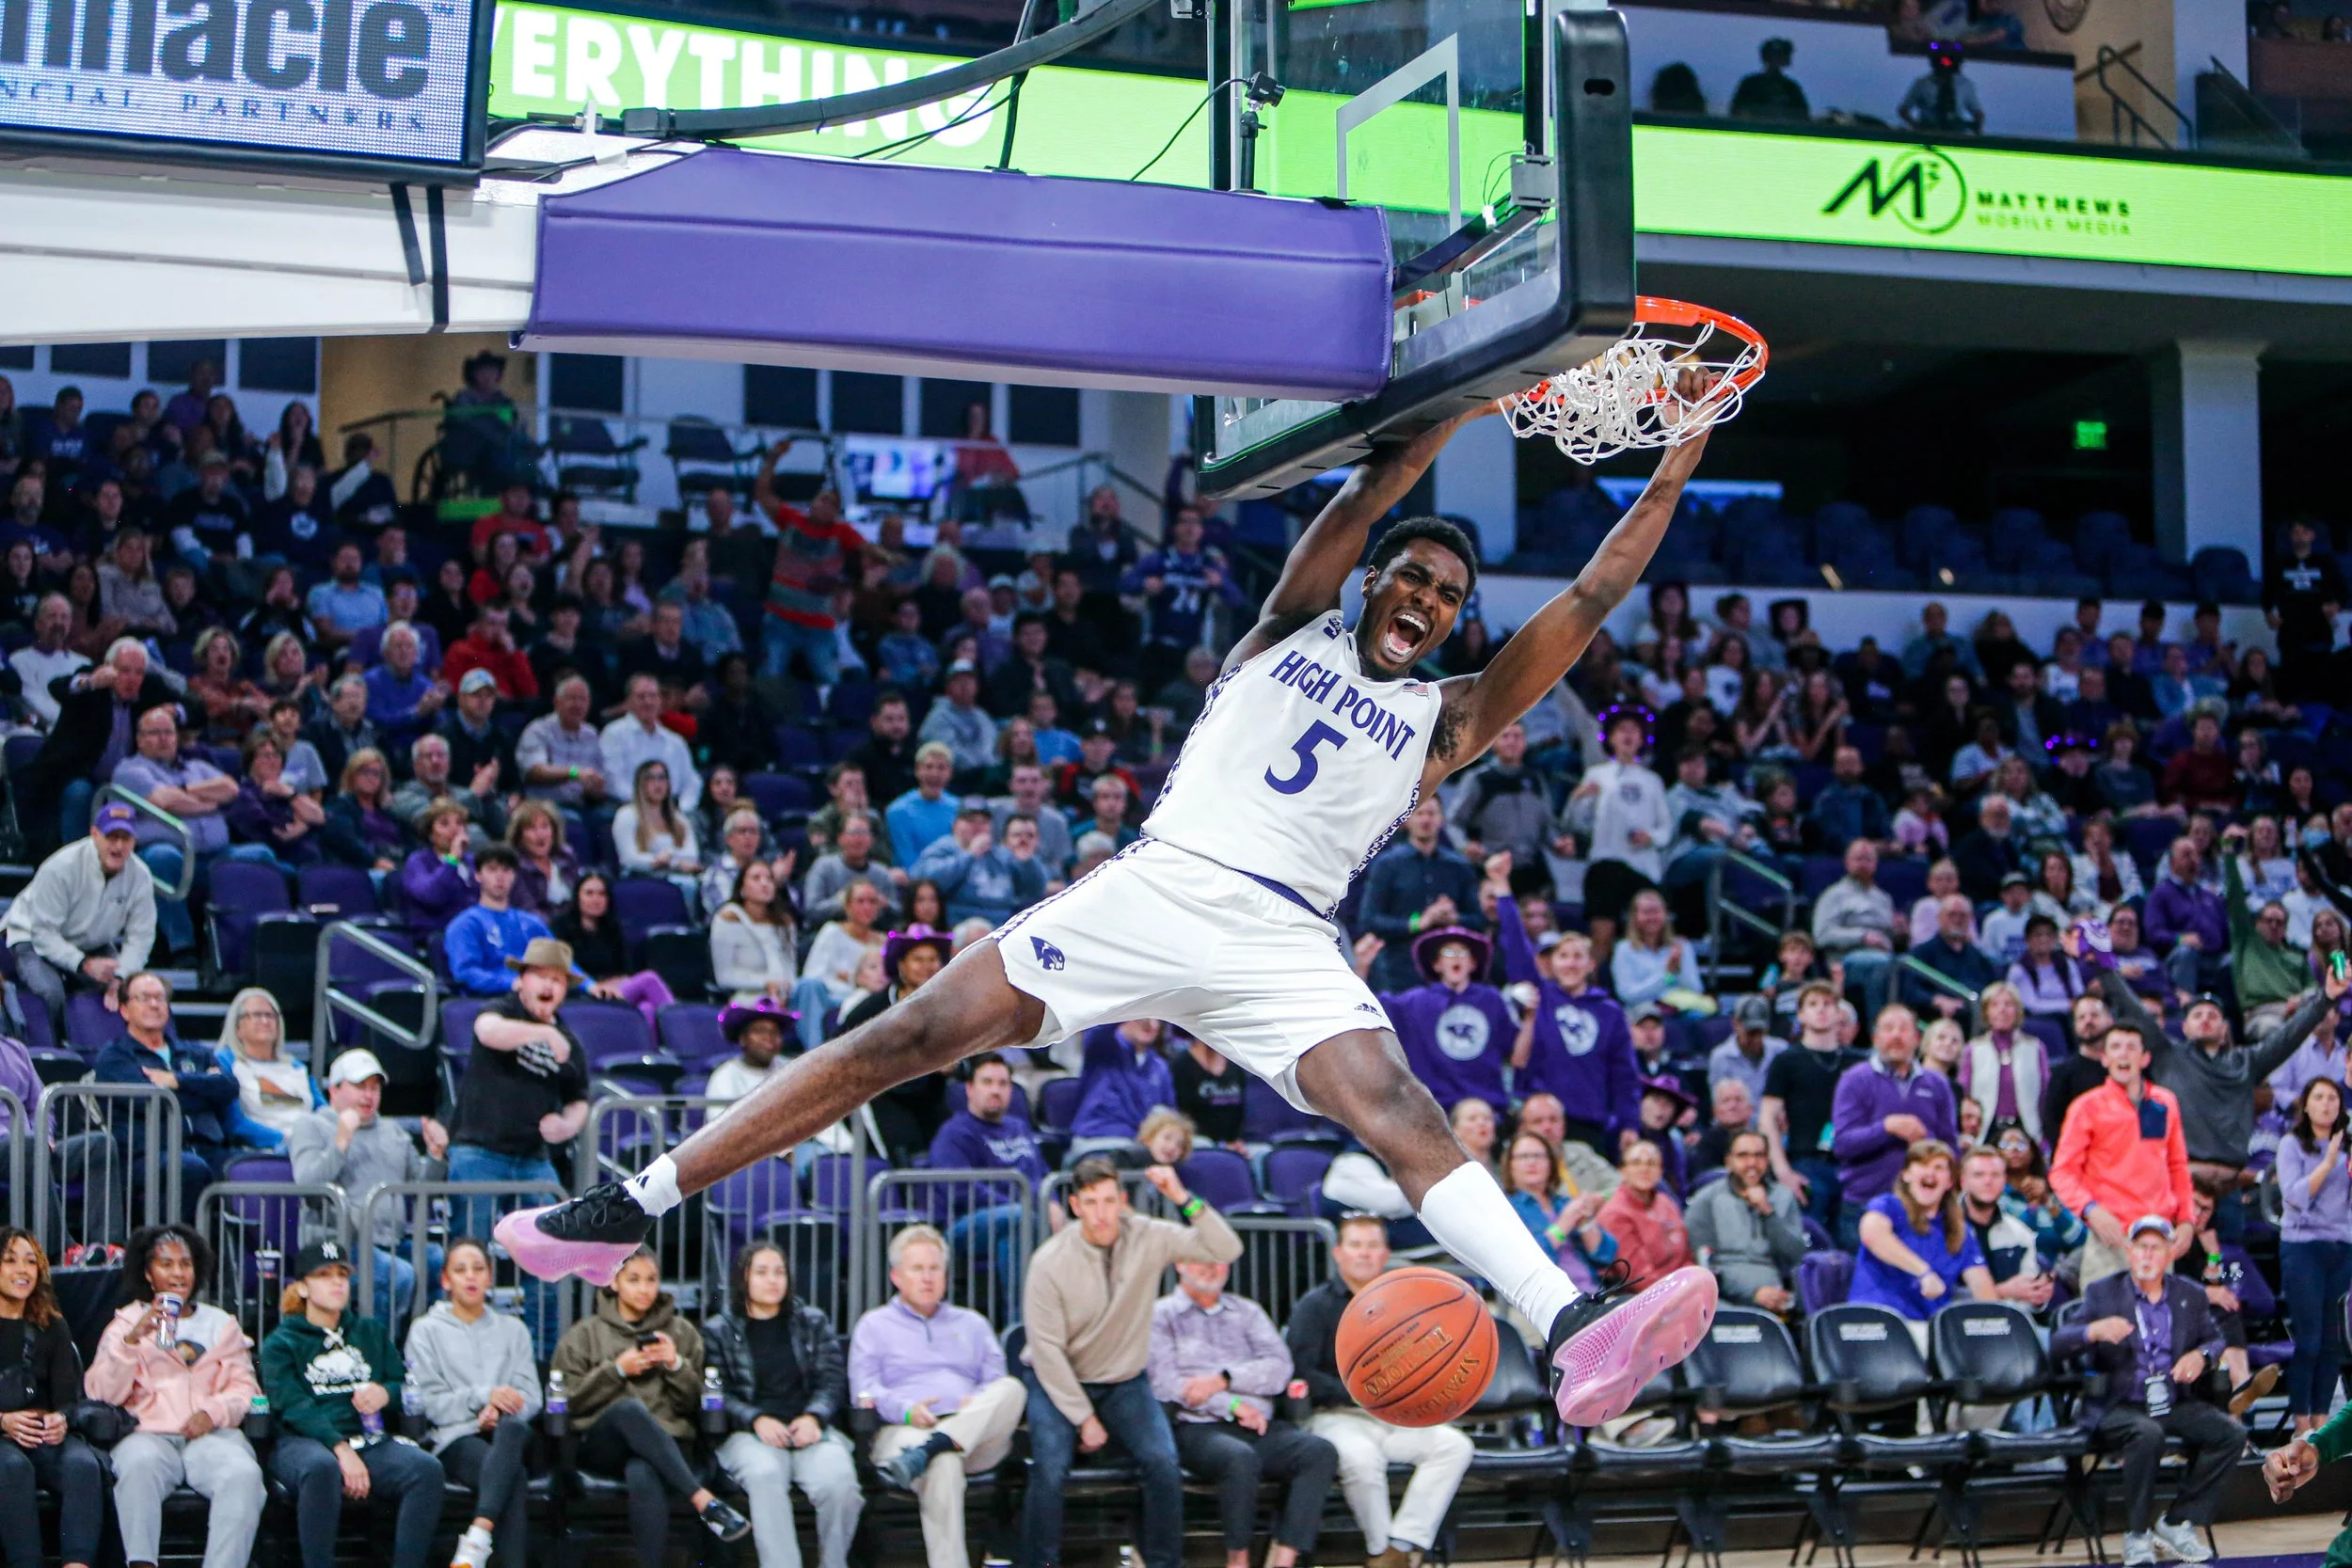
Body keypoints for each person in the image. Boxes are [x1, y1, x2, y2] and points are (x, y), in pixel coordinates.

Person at [500, 400, 1725, 1432]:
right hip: (1160, 881)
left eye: (1451, 591)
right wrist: (1460, 399)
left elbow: (1596, 588)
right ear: (1375, 581)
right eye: (1412, 571)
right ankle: (628, 1204)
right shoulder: (1292, 626)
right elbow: (1364, 496)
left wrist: (1679, 453)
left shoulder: (1446, 721)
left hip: (1282, 938)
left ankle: (1567, 1322)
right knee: (905, 1034)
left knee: (1401, 1106)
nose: (1429, 593)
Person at [1017, 1158, 1236, 1568]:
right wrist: (1084, 1417)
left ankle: (1162, 1563)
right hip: (1058, 1380)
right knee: (1049, 1467)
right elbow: (1046, 1352)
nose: (1101, 1213)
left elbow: (1226, 1248)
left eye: (1108, 1200)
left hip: (1124, 1380)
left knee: (1163, 1463)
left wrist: (1181, 1197)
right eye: (1090, 1202)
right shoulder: (1048, 1261)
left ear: (1121, 1200)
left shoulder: (1148, 1236)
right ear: (1075, 1206)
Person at [1284, 1213, 1473, 1568]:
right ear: (1338, 1253)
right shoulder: (1315, 1305)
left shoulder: (1404, 1304)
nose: (1364, 1254)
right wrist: (1357, 1393)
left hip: (1395, 1417)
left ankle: (1401, 1544)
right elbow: (1299, 1370)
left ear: (1385, 1254)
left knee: (1454, 1445)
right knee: (1361, 1460)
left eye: (1372, 1246)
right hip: (1335, 1416)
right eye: (1356, 1245)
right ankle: (1380, 1552)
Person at [2053, 1216, 2238, 1567]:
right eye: (2140, 1246)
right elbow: (2058, 1344)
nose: (2147, 1255)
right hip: (2117, 1403)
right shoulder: (2103, 1293)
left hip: (2171, 1400)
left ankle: (2176, 1520)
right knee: (2147, 1432)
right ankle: (2136, 1533)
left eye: (2156, 1247)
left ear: (2170, 1252)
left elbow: (2216, 1339)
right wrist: (2092, 1331)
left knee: (2230, 1433)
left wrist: (2200, 1357)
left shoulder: (2190, 1294)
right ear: (2128, 1250)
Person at [550, 1246, 753, 1557]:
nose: (644, 1289)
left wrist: (675, 1366)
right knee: (629, 1410)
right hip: (604, 1446)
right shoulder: (584, 1335)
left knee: (643, 1470)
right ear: (614, 1282)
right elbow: (567, 1402)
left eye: (651, 1279)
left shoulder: (681, 1332)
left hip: (670, 1445)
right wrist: (617, 1371)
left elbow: (698, 1406)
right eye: (634, 1279)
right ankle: (703, 1500)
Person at [260, 1240, 448, 1568]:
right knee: (322, 1468)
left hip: (367, 1440)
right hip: (303, 1442)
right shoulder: (281, 1342)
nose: (336, 1282)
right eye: (324, 1275)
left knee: (426, 1469)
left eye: (342, 1274)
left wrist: (385, 1393)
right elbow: (293, 1406)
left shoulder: (370, 1331)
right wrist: (340, 1448)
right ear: (302, 1288)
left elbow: (403, 1382)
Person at [86, 1224, 265, 1568]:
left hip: (211, 1436)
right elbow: (101, 1393)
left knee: (244, 1474)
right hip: (147, 1435)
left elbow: (245, 1388)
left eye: (185, 1264)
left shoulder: (220, 1324)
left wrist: (212, 1412)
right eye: (166, 1264)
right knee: (138, 1467)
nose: (178, 1273)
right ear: (148, 1275)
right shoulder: (126, 1324)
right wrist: (132, 1342)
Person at [850, 1225, 1027, 1568]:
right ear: (896, 1276)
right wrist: (906, 1412)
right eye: (918, 1269)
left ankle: (936, 1445)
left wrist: (977, 1400)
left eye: (935, 1269)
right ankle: (934, 1449)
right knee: (943, 1462)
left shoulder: (973, 1323)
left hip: (976, 1436)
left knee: (1012, 1388)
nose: (928, 1278)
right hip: (904, 1432)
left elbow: (995, 1380)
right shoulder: (874, 1326)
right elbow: (865, 1390)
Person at [1151, 1259, 1339, 1568]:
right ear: (1181, 1263)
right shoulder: (1162, 1315)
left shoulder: (1247, 1311)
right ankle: (1238, 1560)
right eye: (1202, 1259)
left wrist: (1224, 1379)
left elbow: (1280, 1368)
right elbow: (1168, 1385)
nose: (1210, 1267)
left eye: (1219, 1260)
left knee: (1319, 1452)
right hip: (1197, 1426)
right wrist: (1233, 1405)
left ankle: (1284, 1559)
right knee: (1239, 1458)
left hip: (1261, 1423)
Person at [704, 1243, 864, 1568]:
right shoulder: (718, 1330)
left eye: (779, 1272)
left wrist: (814, 1417)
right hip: (748, 1434)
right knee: (765, 1475)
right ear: (742, 1279)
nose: (773, 1280)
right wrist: (756, 1418)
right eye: (761, 1272)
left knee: (840, 1484)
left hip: (809, 1428)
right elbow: (716, 1393)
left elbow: (832, 1381)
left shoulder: (812, 1321)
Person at [404, 1239, 542, 1568]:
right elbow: (429, 1403)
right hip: (457, 1438)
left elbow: (532, 1396)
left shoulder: (514, 1329)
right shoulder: (425, 1331)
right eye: (460, 1270)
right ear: (446, 1281)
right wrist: (483, 1397)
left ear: (490, 1277)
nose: (471, 1277)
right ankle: (480, 1541)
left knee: (512, 1429)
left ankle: (478, 1538)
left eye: (479, 1269)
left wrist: (499, 1409)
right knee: (513, 1475)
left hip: (512, 1431)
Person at [285, 1049, 439, 1320]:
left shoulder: (393, 1131)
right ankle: (377, 1350)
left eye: (374, 1088)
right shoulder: (311, 1125)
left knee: (437, 1259)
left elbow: (421, 1186)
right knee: (397, 1274)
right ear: (333, 1090)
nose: (369, 1096)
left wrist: (437, 1155)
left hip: (392, 1240)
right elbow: (308, 1184)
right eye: (359, 1087)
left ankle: (416, 1347)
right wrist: (341, 1142)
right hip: (337, 1244)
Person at [1497, 891, 1639, 1157]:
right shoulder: (1540, 997)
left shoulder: (1610, 1012)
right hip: (1540, 1117)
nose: (1571, 963)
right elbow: (1516, 948)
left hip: (1590, 1119)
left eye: (1577, 956)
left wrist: (1629, 1122)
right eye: (1563, 956)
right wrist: (1504, 895)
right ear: (1552, 963)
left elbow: (1624, 1073)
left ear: (1590, 964)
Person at [1, 800, 154, 1046]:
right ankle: (58, 1049)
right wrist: (83, 964)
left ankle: (122, 1051)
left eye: (125, 838)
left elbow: (142, 936)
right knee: (51, 992)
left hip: (91, 940)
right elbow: (44, 933)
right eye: (111, 837)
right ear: (95, 834)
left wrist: (122, 975)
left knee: (131, 989)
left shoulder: (141, 876)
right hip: (30, 937)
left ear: (134, 841)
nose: (118, 846)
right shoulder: (61, 867)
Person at [2051, 1023, 2195, 1285]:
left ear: (2145, 1058)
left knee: (2157, 1322)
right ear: (2104, 1058)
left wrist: (2186, 1219)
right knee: (2106, 1323)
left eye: (2131, 1047)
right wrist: (2090, 1210)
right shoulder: (2086, 1107)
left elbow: (2177, 1165)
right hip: (2111, 1234)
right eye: (2115, 1047)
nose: (2123, 1054)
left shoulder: (2166, 1102)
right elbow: (2062, 1172)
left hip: (2158, 1233)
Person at [0, 1227, 101, 1568]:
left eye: (31, 1262)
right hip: (2, 1435)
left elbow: (68, 1399)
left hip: (42, 1433)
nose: (22, 1270)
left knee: (83, 1465)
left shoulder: (53, 1325)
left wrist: (62, 1419)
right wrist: (3, 1421)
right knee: (12, 1468)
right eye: (10, 1260)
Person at [96, 971, 241, 1200]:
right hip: (147, 1156)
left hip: (208, 1148)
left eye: (160, 998)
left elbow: (229, 1087)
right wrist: (204, 1091)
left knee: (255, 1168)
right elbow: (152, 1103)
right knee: (191, 1169)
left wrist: (177, 1081)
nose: (154, 1005)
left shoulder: (194, 1052)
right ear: (124, 1010)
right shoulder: (115, 1057)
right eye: (144, 998)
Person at [1829, 1005, 1957, 1251]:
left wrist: (1926, 1143)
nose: (1896, 1035)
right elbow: (1843, 1144)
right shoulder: (1855, 1079)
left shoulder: (1937, 1084)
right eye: (1888, 1029)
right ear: (1876, 1038)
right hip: (1865, 1202)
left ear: (1917, 1039)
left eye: (1904, 1028)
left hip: (1924, 1206)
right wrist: (1886, 1127)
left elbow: (1949, 1146)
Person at [1849, 1138, 1995, 1330]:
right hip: (1873, 1322)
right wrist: (1923, 1272)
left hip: (1926, 1327)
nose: (1930, 1172)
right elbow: (1872, 1235)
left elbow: (1983, 1288)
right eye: (1922, 1164)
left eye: (1939, 1167)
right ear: (1906, 1175)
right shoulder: (1888, 1206)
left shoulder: (1960, 1231)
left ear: (1950, 1181)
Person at [2274, 1077, 2352, 1432]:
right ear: (2305, 1105)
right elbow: (2294, 1197)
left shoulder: (2348, 1147)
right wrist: (2328, 1162)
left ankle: (2321, 1419)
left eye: (2333, 1098)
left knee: (2334, 1342)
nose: (2326, 1104)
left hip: (2343, 1247)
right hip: (2303, 1247)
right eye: (2318, 1097)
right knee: (2309, 1340)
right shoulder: (2291, 1145)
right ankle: (2301, 1421)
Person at [1370, 919, 1514, 1112]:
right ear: (1437, 965)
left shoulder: (1492, 999)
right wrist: (1362, 968)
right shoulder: (1415, 1001)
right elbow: (1373, 1009)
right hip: (1433, 1110)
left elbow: (1513, 1051)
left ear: (1472, 963)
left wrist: (1529, 1013)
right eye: (1448, 952)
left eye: (1462, 952)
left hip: (1486, 1108)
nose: (1456, 958)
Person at [1760, 980, 1856, 1236]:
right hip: (1805, 1163)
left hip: (1852, 1165)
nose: (1821, 1010)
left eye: (1828, 1004)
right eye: (1813, 1004)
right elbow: (1767, 1118)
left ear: (1839, 1013)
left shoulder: (1856, 1062)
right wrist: (1782, 1171)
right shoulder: (1786, 1061)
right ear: (1801, 1014)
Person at [1686, 1129, 1805, 1311]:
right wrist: (1751, 1294)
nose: (1752, 1163)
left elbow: (1796, 1255)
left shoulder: (1783, 1197)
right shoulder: (1706, 1200)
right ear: (1729, 1162)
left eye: (1759, 1156)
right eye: (1743, 1156)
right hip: (1724, 1297)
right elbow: (1703, 1264)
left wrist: (1768, 1212)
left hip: (1776, 1294)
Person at [1813, 840, 1901, 1020]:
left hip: (1885, 956)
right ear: (1847, 862)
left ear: (1876, 864)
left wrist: (1900, 933)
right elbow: (1821, 935)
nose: (1863, 864)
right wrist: (1862, 937)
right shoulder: (1833, 895)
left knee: (1907, 966)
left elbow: (1890, 938)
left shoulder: (1883, 898)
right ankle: (1878, 1031)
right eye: (1858, 859)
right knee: (1880, 966)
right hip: (1845, 961)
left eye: (1868, 859)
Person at [1899, 41, 1984, 133]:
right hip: (1929, 132)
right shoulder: (1922, 83)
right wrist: (1917, 127)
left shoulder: (1965, 85)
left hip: (1956, 133)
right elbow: (1904, 110)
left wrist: (1977, 130)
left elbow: (1978, 113)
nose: (1945, 65)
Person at [1729, 37, 1810, 121]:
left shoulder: (1791, 88)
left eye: (1780, 56)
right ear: (1765, 57)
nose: (1775, 60)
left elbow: (1803, 117)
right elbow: (1736, 112)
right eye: (1772, 56)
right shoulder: (1749, 84)